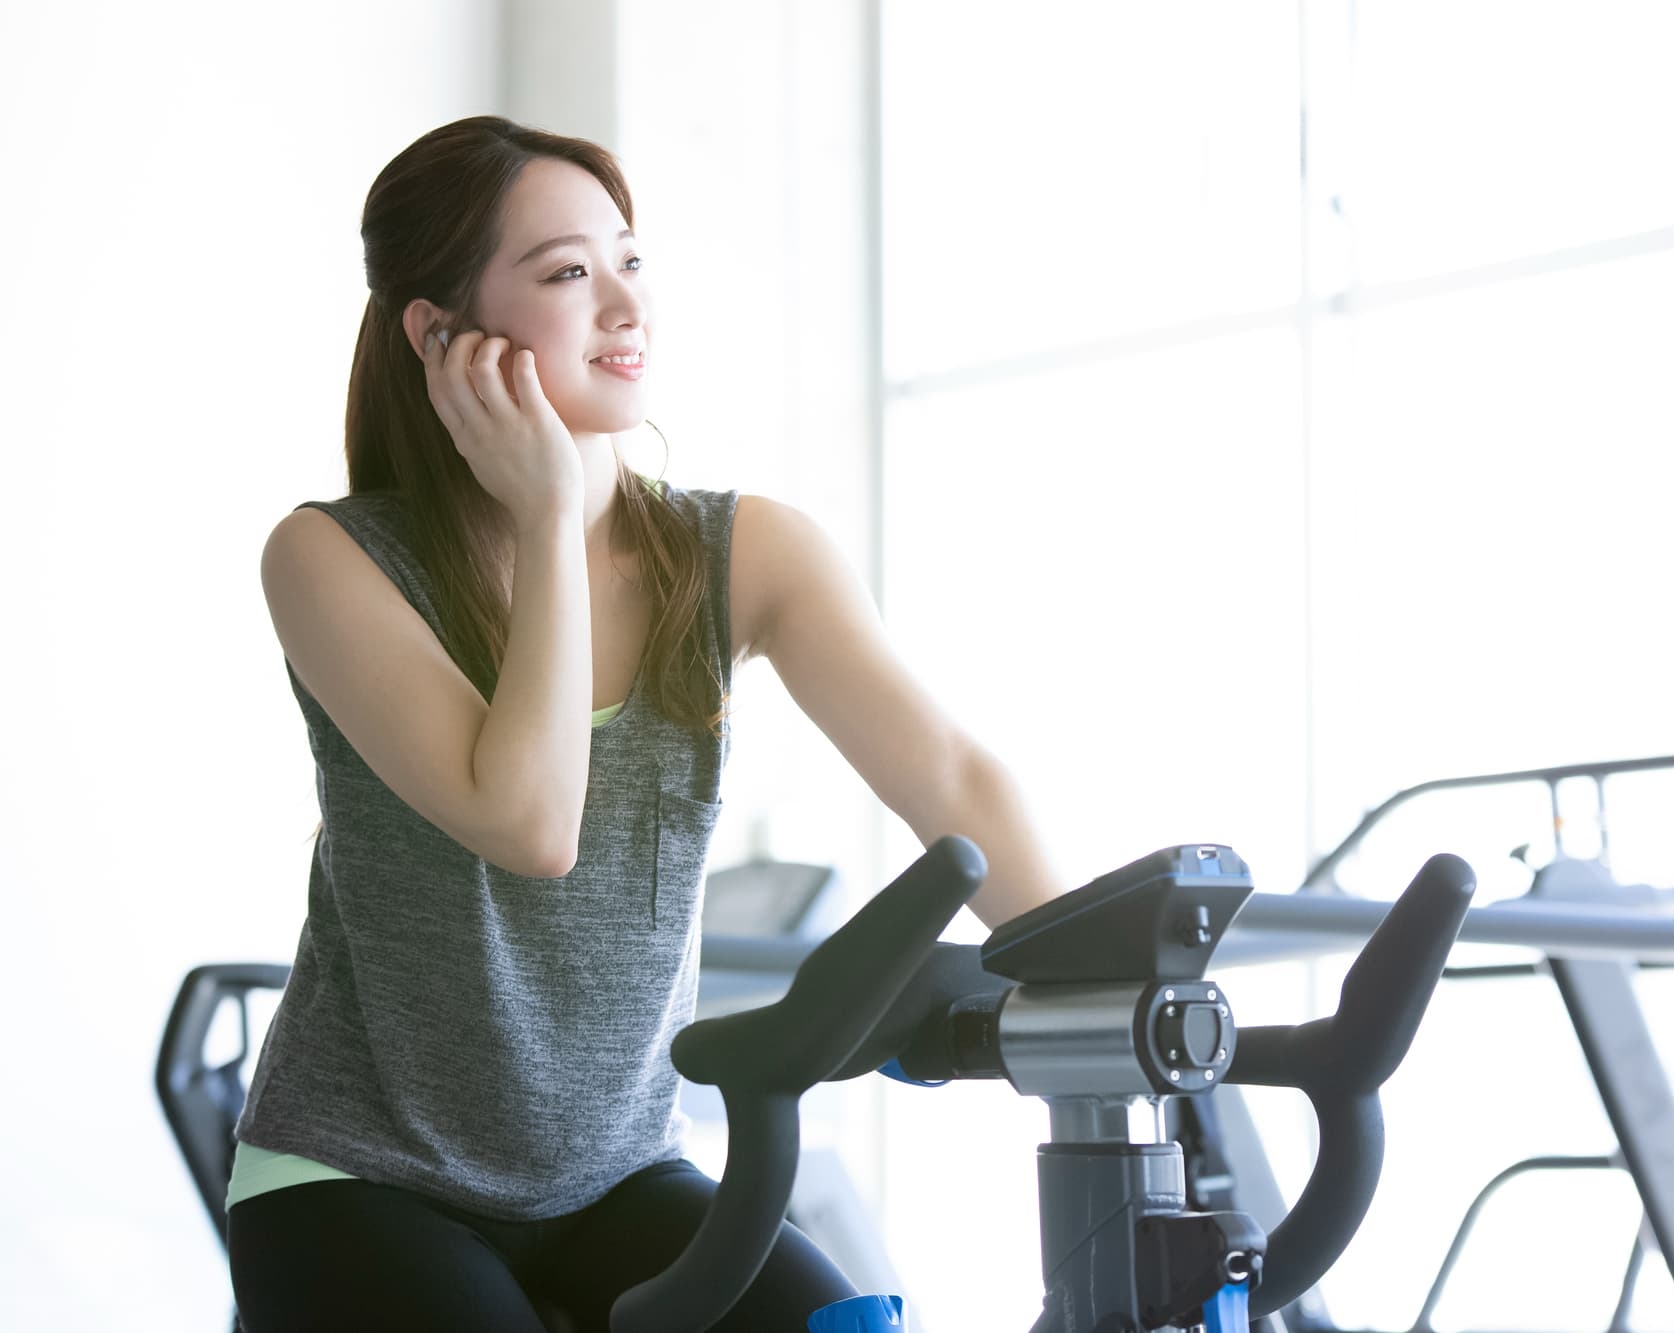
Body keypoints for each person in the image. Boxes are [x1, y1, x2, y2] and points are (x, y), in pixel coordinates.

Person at [227, 114, 1067, 1333]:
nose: (626, 305)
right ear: (438, 333)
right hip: (356, 1176)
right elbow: (529, 821)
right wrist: (550, 512)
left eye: (630, 259)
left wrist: (1107, 984)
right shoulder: (329, 559)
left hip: (616, 1171)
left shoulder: (745, 552)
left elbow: (950, 772)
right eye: (569, 273)